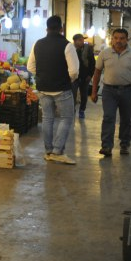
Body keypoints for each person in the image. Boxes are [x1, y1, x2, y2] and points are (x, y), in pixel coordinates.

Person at [27, 16, 79, 164]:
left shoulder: (37, 43)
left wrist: (43, 76)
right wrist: (68, 80)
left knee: (47, 118)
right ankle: (57, 151)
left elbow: (30, 67)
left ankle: (48, 151)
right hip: (62, 89)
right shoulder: (67, 45)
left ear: (47, 28)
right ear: (61, 29)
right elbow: (74, 71)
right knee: (66, 118)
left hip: (43, 88)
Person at [91, 27, 131, 156]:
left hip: (128, 90)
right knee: (108, 117)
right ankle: (106, 146)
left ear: (127, 40)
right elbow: (97, 73)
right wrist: (94, 91)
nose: (118, 41)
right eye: (116, 38)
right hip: (108, 91)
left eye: (122, 38)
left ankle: (124, 144)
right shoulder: (104, 53)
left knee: (126, 118)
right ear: (112, 39)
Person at [72, 33, 96, 120]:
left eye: (82, 40)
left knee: (84, 95)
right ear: (75, 41)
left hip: (85, 76)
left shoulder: (88, 49)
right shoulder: (71, 49)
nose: (82, 41)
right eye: (80, 40)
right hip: (74, 77)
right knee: (73, 94)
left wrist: (90, 74)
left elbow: (92, 63)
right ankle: (72, 110)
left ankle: (82, 110)